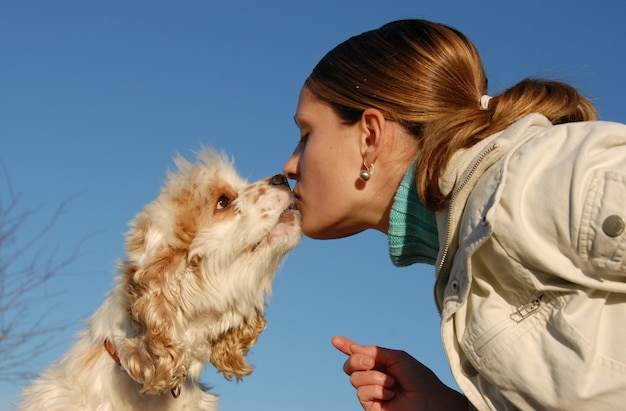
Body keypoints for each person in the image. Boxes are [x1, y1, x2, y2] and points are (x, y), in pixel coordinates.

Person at [282, 19, 626, 410]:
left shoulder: (534, 177)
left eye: (306, 134)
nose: (290, 166)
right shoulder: (463, 256)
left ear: (371, 137)